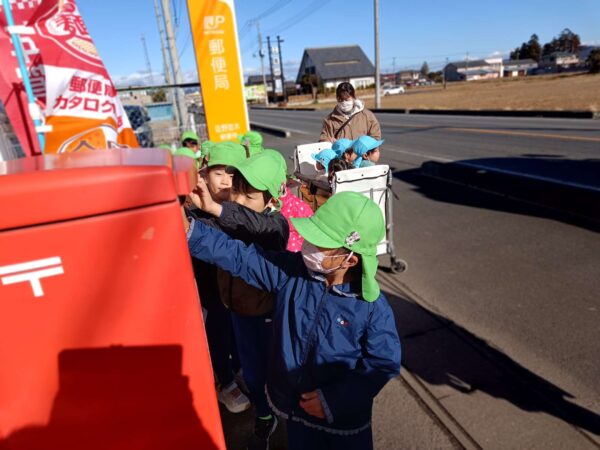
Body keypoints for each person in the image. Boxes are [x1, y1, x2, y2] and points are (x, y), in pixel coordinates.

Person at [184, 191, 401, 450]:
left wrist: (335, 400)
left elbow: (383, 362)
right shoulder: (293, 271)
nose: (306, 246)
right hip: (294, 407)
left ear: (350, 260)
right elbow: (242, 257)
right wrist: (193, 232)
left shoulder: (372, 308)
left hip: (343, 422)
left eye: (318, 243)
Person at [191, 151, 289, 450]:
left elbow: (256, 226)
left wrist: (216, 208)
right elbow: (202, 231)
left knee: (270, 372)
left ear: (273, 200)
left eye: (250, 197)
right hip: (238, 312)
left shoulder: (276, 226)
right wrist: (188, 211)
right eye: (237, 192)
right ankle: (264, 414)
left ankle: (283, 415)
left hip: (267, 316)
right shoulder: (228, 218)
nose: (239, 201)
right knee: (251, 369)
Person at [186, 141, 251, 414]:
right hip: (210, 292)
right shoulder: (194, 212)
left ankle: (239, 369)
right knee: (218, 332)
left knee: (239, 332)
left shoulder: (244, 206)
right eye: (218, 173)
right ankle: (225, 381)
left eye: (233, 174)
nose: (226, 180)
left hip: (239, 292)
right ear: (204, 174)